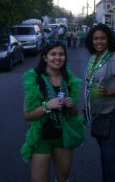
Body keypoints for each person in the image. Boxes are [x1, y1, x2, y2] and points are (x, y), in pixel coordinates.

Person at [21, 39, 85, 182]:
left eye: (61, 54)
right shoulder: (35, 79)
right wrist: (47, 106)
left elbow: (74, 114)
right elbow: (27, 115)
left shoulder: (68, 79)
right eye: (53, 54)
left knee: (63, 177)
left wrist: (71, 106)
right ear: (45, 57)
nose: (57, 58)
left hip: (63, 136)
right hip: (41, 137)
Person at [83, 23, 115, 182]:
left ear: (108, 39)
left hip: (112, 112)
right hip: (96, 112)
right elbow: (88, 86)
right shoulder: (93, 58)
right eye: (95, 38)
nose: (99, 41)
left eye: (102, 38)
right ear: (91, 40)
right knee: (103, 153)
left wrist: (108, 92)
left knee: (109, 155)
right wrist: (85, 107)